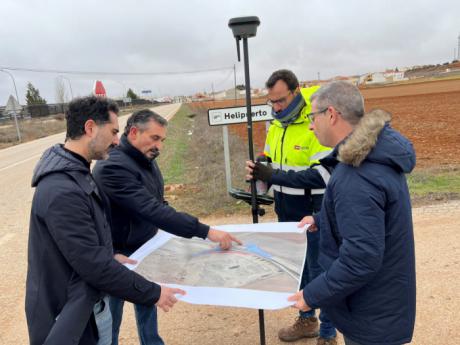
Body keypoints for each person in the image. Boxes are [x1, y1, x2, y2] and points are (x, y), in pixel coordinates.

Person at [25, 96, 185, 345]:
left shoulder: (78, 174)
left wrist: (110, 255)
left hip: (86, 306)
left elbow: (84, 246)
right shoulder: (62, 190)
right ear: (90, 128)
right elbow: (93, 265)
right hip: (72, 319)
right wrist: (153, 293)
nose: (115, 140)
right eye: (113, 132)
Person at [93, 109, 241, 345]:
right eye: (154, 138)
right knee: (112, 317)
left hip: (144, 246)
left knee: (148, 303)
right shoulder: (113, 166)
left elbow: (157, 202)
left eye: (162, 140)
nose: (159, 146)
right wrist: (206, 231)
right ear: (133, 132)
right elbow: (151, 210)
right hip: (117, 254)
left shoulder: (146, 158)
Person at [288, 81, 416, 345]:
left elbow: (360, 258)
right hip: (384, 303)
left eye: (312, 117)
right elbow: (370, 216)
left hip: (370, 315)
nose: (311, 125)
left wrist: (312, 295)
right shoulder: (376, 153)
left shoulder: (357, 173)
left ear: (331, 114)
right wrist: (322, 220)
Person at [254, 69, 336, 344]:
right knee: (298, 267)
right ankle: (306, 320)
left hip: (313, 206)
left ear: (296, 91)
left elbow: (322, 174)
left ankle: (328, 332)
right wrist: (260, 166)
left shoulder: (317, 119)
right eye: (272, 102)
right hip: (285, 206)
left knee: (320, 269)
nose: (276, 107)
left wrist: (273, 176)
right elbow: (271, 155)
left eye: (280, 100)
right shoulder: (277, 123)